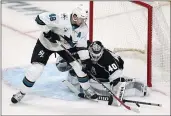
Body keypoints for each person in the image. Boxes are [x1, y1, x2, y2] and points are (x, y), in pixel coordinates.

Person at [11, 4, 97, 104]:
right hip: (45, 45)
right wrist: (48, 33)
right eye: (81, 19)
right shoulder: (61, 18)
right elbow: (39, 19)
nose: (83, 22)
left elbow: (81, 46)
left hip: (64, 47)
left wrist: (86, 60)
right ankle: (21, 93)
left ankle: (87, 89)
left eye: (84, 19)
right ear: (74, 16)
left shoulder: (83, 28)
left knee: (79, 67)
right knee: (35, 70)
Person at [56, 41, 149, 106]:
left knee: (106, 87)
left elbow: (116, 85)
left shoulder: (108, 61)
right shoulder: (84, 48)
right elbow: (71, 48)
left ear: (102, 52)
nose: (95, 58)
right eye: (93, 56)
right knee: (72, 68)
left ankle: (136, 86)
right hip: (100, 67)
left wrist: (115, 97)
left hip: (114, 69)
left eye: (97, 56)